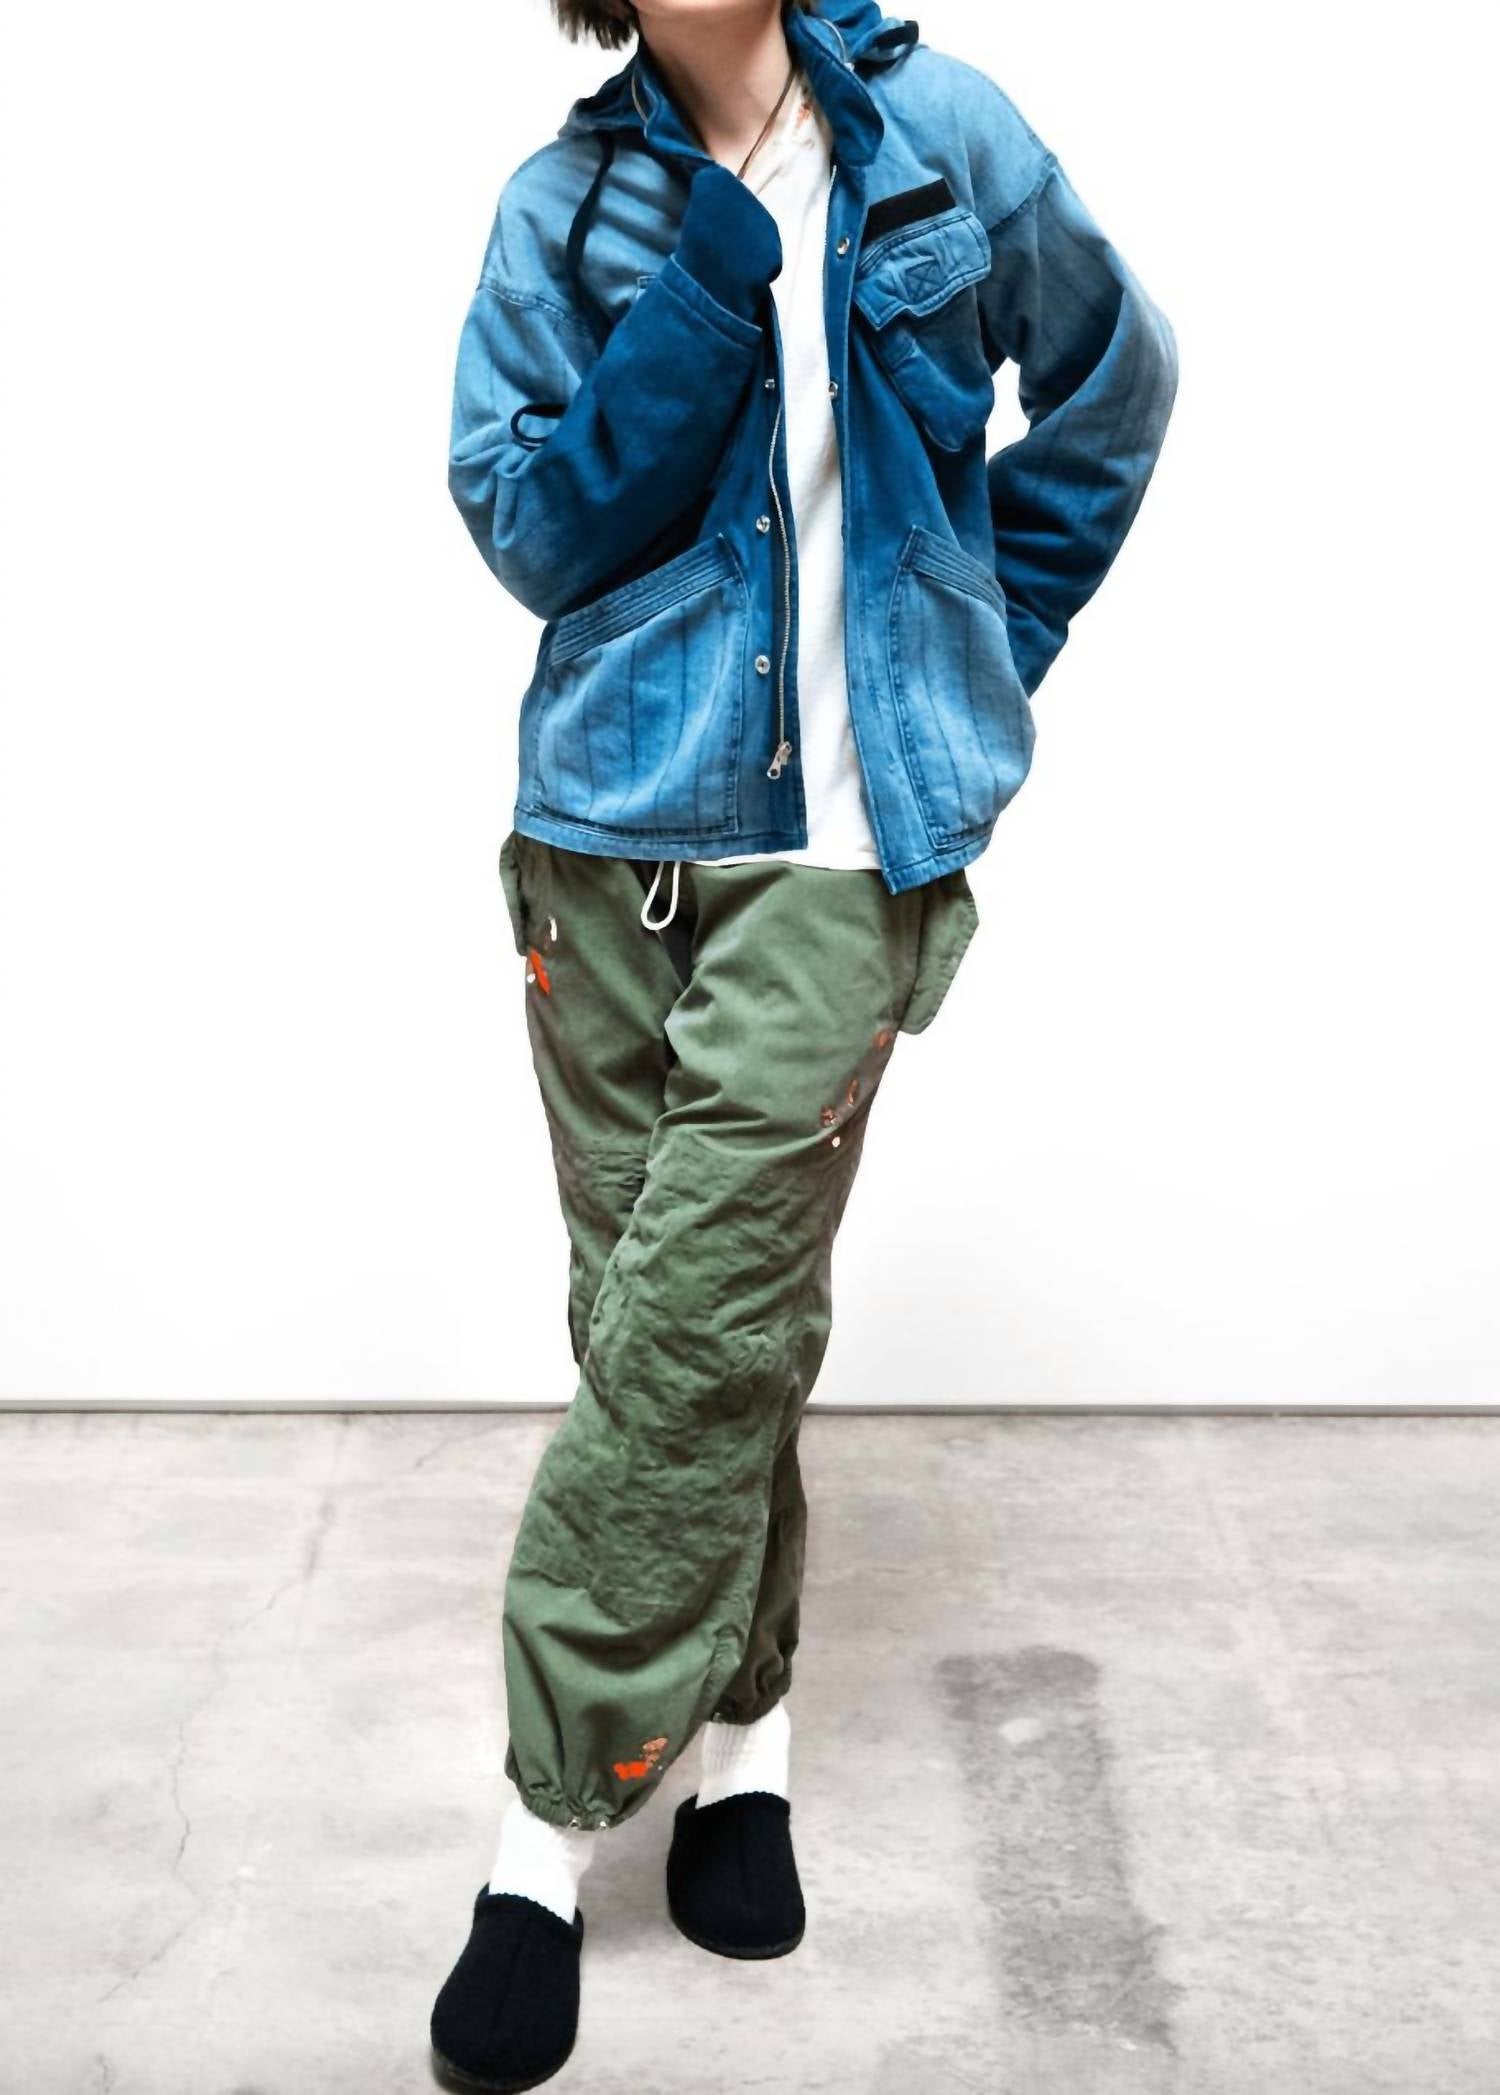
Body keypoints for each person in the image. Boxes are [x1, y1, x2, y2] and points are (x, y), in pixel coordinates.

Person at [431, 0, 1178, 2083]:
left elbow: (1119, 378)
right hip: (601, 848)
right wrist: (698, 298)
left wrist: (978, 640)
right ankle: (744, 1744)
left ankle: (540, 1837)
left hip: (842, 862)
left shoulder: (943, 134)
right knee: (667, 1322)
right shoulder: (565, 205)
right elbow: (529, 532)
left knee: (690, 1325)